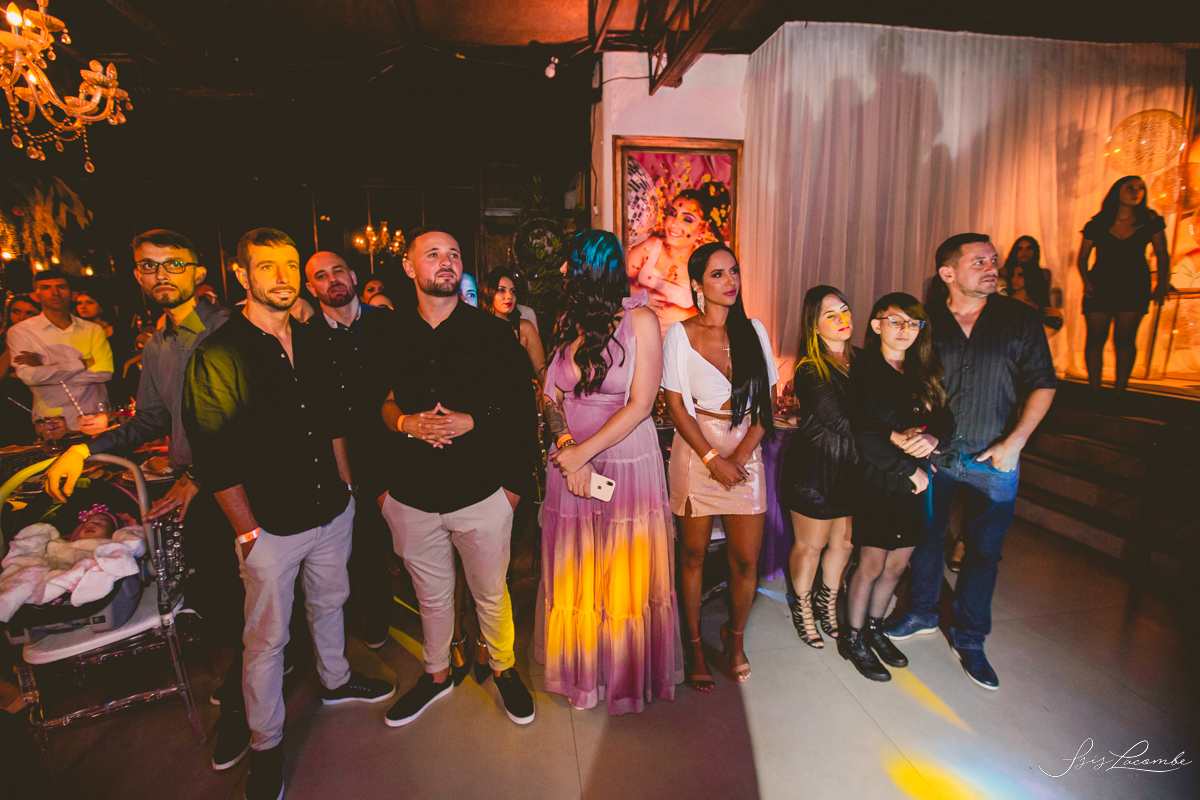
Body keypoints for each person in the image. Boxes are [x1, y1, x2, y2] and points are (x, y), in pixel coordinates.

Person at [183, 228, 394, 800]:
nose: (281, 276)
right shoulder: (219, 353)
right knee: (266, 640)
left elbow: (331, 420)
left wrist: (347, 487)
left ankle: (335, 680)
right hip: (269, 524)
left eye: (289, 264)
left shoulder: (313, 339)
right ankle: (266, 746)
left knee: (330, 601)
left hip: (330, 506)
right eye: (266, 266)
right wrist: (247, 531)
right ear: (242, 275)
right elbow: (214, 456)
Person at [42, 229, 255, 772]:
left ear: (197, 271)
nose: (161, 274)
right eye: (149, 265)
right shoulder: (159, 342)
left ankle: (245, 705)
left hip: (240, 483)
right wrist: (83, 448)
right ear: (137, 274)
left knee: (250, 592)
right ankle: (248, 675)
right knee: (219, 592)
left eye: (173, 264)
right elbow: (152, 420)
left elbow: (250, 417)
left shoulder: (230, 329)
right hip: (196, 485)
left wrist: (198, 476)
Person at [377, 227, 537, 728]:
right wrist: (402, 427)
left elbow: (521, 409)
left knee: (491, 592)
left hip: (482, 492)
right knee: (431, 596)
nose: (446, 261)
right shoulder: (389, 333)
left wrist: (508, 484)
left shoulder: (493, 333)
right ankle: (436, 673)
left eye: (454, 254)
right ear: (410, 267)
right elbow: (374, 403)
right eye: (433, 254)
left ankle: (503, 667)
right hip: (410, 494)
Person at [886, 233, 1056, 691]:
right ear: (948, 272)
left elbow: (1043, 382)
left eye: (993, 260)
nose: (991, 267)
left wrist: (1016, 441)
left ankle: (970, 638)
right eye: (979, 261)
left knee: (983, 550)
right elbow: (903, 381)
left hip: (994, 456)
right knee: (926, 538)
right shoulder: (924, 323)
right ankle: (922, 612)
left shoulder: (1019, 319)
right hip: (935, 454)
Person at [534, 230, 682, 713]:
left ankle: (622, 675)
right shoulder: (567, 320)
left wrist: (583, 454)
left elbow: (641, 404)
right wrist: (565, 447)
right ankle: (583, 674)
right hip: (569, 458)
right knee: (576, 566)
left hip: (624, 456)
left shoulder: (641, 319)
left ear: (591, 268)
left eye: (569, 262)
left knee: (620, 569)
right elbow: (549, 395)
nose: (562, 271)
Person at [664, 242, 777, 688]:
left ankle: (735, 637)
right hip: (696, 454)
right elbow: (675, 406)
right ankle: (694, 644)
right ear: (697, 284)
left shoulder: (754, 331)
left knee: (745, 561)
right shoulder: (680, 334)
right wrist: (713, 460)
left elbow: (767, 405)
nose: (730, 281)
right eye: (717, 274)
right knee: (692, 555)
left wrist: (740, 457)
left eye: (733, 271)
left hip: (745, 452)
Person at [841, 293, 953, 682]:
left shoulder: (924, 369)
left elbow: (946, 420)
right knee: (872, 564)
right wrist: (909, 468)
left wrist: (934, 440)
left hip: (918, 481)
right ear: (876, 325)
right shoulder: (865, 368)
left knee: (897, 565)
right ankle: (853, 637)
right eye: (896, 321)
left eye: (913, 323)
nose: (905, 330)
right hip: (880, 478)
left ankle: (874, 628)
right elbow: (864, 431)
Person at [303, 251, 395, 650]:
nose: (332, 280)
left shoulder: (386, 323)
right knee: (364, 539)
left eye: (338, 271)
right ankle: (378, 611)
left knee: (414, 534)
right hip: (345, 453)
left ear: (353, 276)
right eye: (321, 276)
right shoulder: (306, 337)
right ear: (312, 288)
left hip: (397, 443)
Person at [780, 286, 857, 649]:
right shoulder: (810, 367)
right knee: (810, 546)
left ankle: (827, 604)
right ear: (814, 325)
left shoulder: (862, 360)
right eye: (831, 315)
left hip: (852, 468)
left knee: (845, 543)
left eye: (845, 310)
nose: (842, 319)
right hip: (815, 469)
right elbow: (841, 420)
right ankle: (804, 608)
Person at [1077, 176, 1170, 401]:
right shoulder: (1098, 223)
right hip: (1101, 283)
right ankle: (1094, 390)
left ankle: (1120, 392)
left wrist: (1162, 284)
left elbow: (1162, 253)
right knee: (1095, 338)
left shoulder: (1150, 219)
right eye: (1130, 188)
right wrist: (1086, 281)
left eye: (1141, 188)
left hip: (1134, 284)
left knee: (1125, 338)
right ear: (1116, 192)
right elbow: (1082, 257)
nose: (1136, 192)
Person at [6, 269, 112, 431]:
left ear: (73, 294)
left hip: (95, 415)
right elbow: (29, 376)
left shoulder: (92, 330)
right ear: (36, 295)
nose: (55, 292)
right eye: (46, 287)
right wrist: (83, 364)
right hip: (52, 420)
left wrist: (46, 368)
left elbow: (104, 372)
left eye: (61, 287)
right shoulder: (20, 332)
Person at [626, 182, 731, 335]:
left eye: (687, 219)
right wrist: (639, 296)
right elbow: (613, 282)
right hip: (635, 340)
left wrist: (685, 314)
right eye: (672, 213)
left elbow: (719, 312)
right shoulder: (649, 247)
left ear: (703, 228)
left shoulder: (705, 264)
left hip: (680, 345)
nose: (674, 223)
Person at [480, 267, 547, 391]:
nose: (509, 296)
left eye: (512, 291)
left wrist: (547, 398)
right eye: (501, 290)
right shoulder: (478, 329)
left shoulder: (525, 328)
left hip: (520, 398)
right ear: (489, 293)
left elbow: (541, 371)